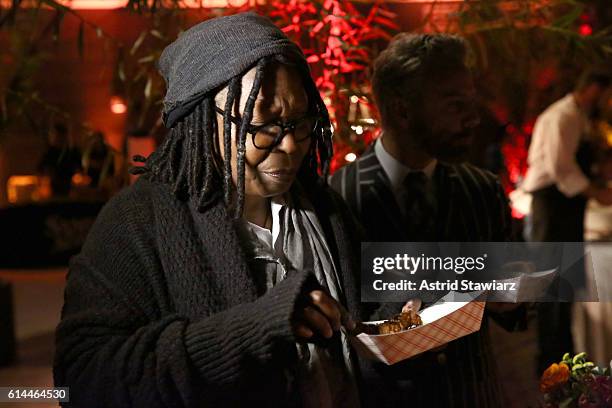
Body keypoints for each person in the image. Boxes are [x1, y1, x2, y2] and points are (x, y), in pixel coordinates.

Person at [53, 13, 366, 407]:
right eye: (264, 124)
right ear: (201, 118)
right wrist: (254, 330)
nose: (290, 146)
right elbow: (81, 379)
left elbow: (368, 310)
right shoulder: (136, 223)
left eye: (300, 122)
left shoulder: (324, 206)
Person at [331, 33, 523, 408]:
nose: (473, 119)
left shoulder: (481, 189)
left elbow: (515, 293)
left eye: (471, 103)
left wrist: (514, 293)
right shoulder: (339, 198)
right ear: (403, 111)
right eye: (455, 106)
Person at [521, 69, 612, 372]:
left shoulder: (580, 116)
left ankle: (565, 359)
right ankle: (550, 364)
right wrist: (596, 192)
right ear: (593, 89)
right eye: (606, 95)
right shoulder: (562, 116)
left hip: (567, 206)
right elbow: (561, 168)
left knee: (566, 286)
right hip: (551, 206)